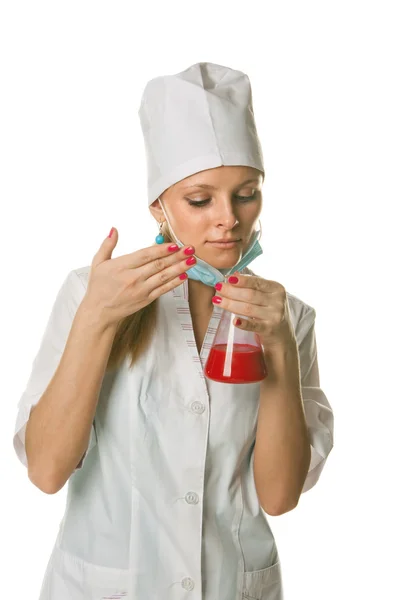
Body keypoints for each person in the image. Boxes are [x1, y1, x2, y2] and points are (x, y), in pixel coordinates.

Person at [13, 62, 334, 600]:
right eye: (200, 199)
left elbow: (278, 497)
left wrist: (277, 344)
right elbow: (46, 471)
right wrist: (96, 318)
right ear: (159, 206)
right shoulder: (90, 292)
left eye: (246, 193)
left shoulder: (288, 317)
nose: (228, 219)